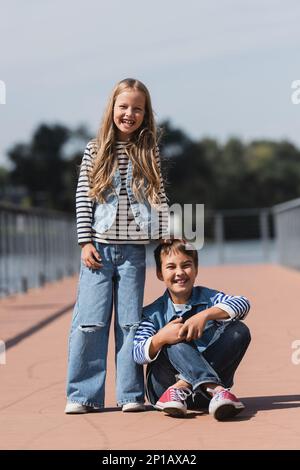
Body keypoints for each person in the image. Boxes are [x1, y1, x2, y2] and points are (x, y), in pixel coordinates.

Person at [65, 78, 169, 414]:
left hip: (133, 252)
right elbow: (84, 197)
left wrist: (167, 236)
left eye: (137, 108)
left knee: (129, 324)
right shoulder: (95, 149)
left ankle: (130, 394)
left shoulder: (147, 150)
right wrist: (84, 242)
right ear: (112, 109)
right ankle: (82, 395)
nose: (129, 113)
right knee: (91, 321)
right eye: (123, 107)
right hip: (99, 249)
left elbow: (159, 196)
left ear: (145, 113)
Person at [133, 239, 251, 420]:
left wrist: (205, 316)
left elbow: (243, 303)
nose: (180, 272)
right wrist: (160, 338)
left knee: (239, 330)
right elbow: (138, 353)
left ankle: (186, 386)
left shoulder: (209, 297)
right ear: (159, 273)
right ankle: (209, 389)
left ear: (196, 269)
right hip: (165, 392)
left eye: (186, 265)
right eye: (171, 267)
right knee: (173, 338)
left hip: (206, 397)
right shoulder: (151, 313)